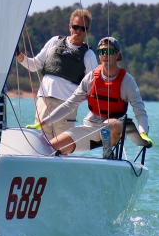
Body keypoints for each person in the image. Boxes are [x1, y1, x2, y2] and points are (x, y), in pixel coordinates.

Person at [33, 37, 154, 156]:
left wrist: (143, 133)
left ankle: (108, 155)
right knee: (50, 148)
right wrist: (42, 123)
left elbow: (140, 111)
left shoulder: (127, 81)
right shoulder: (91, 78)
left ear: (117, 55)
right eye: (101, 52)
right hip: (91, 127)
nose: (105, 55)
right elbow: (70, 105)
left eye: (109, 51)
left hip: (114, 128)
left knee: (109, 126)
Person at [16, 9, 98, 140]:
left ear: (87, 31)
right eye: (75, 27)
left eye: (82, 28)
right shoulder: (54, 42)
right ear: (69, 27)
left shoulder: (89, 55)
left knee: (61, 147)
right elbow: (34, 65)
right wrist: (18, 55)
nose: (78, 31)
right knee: (41, 144)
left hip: (66, 107)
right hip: (44, 101)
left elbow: (93, 84)